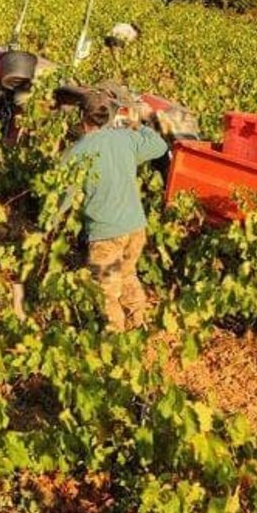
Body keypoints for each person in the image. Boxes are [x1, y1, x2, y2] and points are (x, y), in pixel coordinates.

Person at [62, 92, 167, 333]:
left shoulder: (77, 152)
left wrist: (48, 221)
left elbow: (62, 195)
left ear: (81, 116)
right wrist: (139, 126)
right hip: (135, 228)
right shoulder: (126, 139)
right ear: (109, 116)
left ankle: (115, 340)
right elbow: (160, 146)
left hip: (106, 235)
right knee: (128, 274)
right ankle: (140, 325)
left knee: (106, 291)